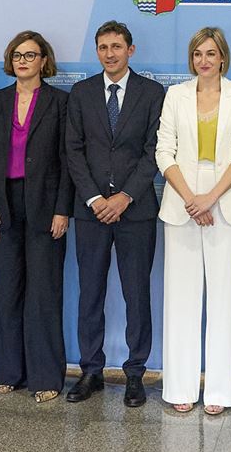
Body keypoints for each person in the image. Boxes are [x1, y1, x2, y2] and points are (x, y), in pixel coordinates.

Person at [156, 26, 231, 415]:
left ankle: (220, 391)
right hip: (181, 201)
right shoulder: (175, 95)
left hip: (225, 201)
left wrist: (209, 198)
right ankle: (179, 386)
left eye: (211, 54)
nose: (204, 61)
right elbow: (165, 151)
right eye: (198, 54)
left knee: (224, 298)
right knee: (180, 299)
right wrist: (190, 199)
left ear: (223, 58)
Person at [64, 21, 164, 407]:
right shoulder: (82, 93)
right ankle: (91, 370)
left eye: (117, 46)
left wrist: (124, 197)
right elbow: (72, 150)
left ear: (131, 50)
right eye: (103, 47)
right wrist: (94, 199)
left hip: (135, 211)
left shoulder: (153, 93)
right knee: (90, 293)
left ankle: (135, 372)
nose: (110, 53)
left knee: (136, 293)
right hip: (91, 213)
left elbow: (154, 150)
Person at [0, 31, 73, 404]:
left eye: (30, 55)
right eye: (17, 55)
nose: (23, 61)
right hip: (3, 204)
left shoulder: (60, 102)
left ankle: (46, 376)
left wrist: (63, 208)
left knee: (44, 292)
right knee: (6, 290)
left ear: (43, 61)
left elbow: (68, 161)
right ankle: (7, 372)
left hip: (45, 206)